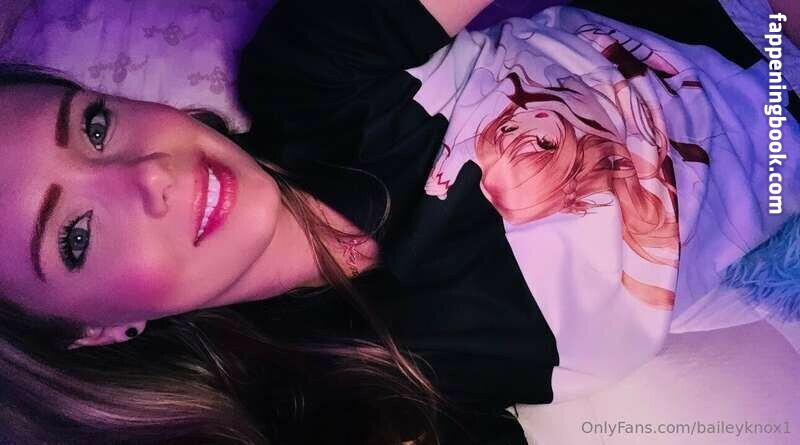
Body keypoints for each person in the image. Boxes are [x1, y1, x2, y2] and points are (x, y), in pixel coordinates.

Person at [0, 1, 798, 445]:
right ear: (100, 332)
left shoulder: (310, 75)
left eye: (95, 126)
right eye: (75, 236)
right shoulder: (382, 399)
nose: (147, 176)